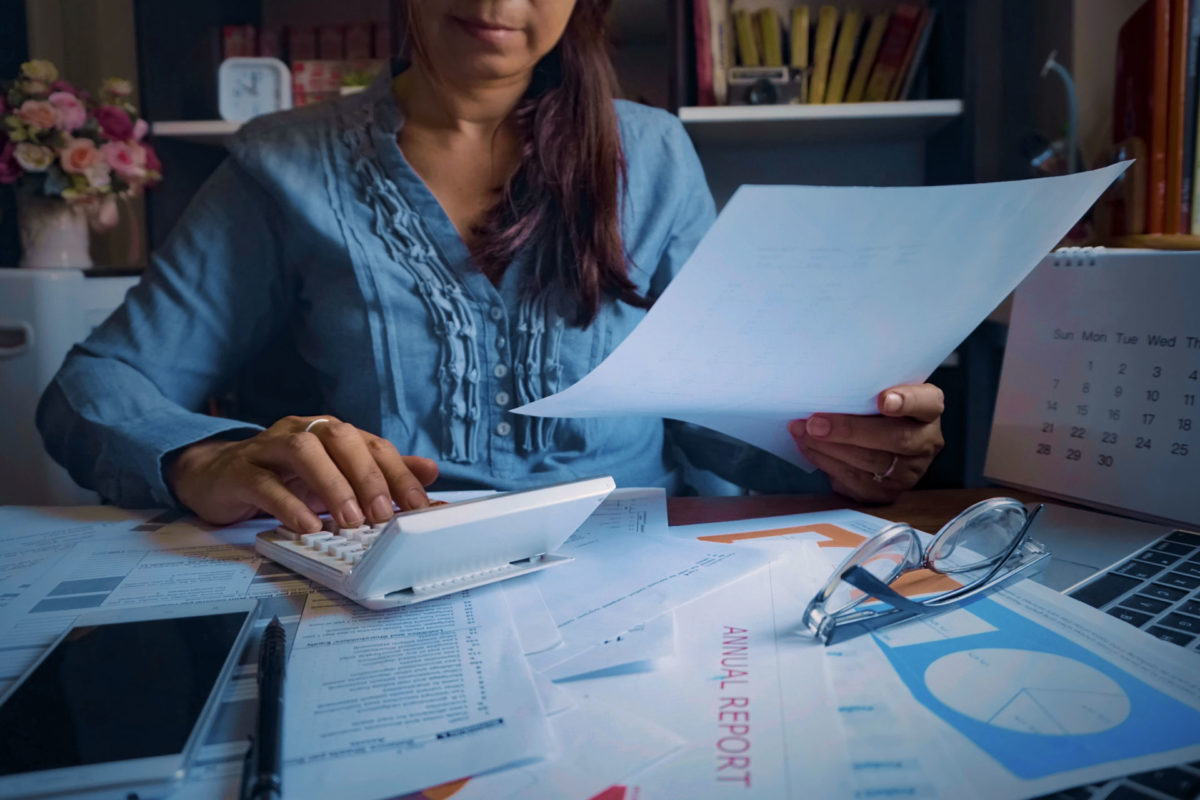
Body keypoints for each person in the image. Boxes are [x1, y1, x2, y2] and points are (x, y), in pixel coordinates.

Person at [37, 0, 945, 535]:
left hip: (638, 574)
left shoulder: (653, 154)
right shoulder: (285, 163)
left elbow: (717, 426)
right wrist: (205, 458)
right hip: (384, 585)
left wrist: (844, 447)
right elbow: (97, 385)